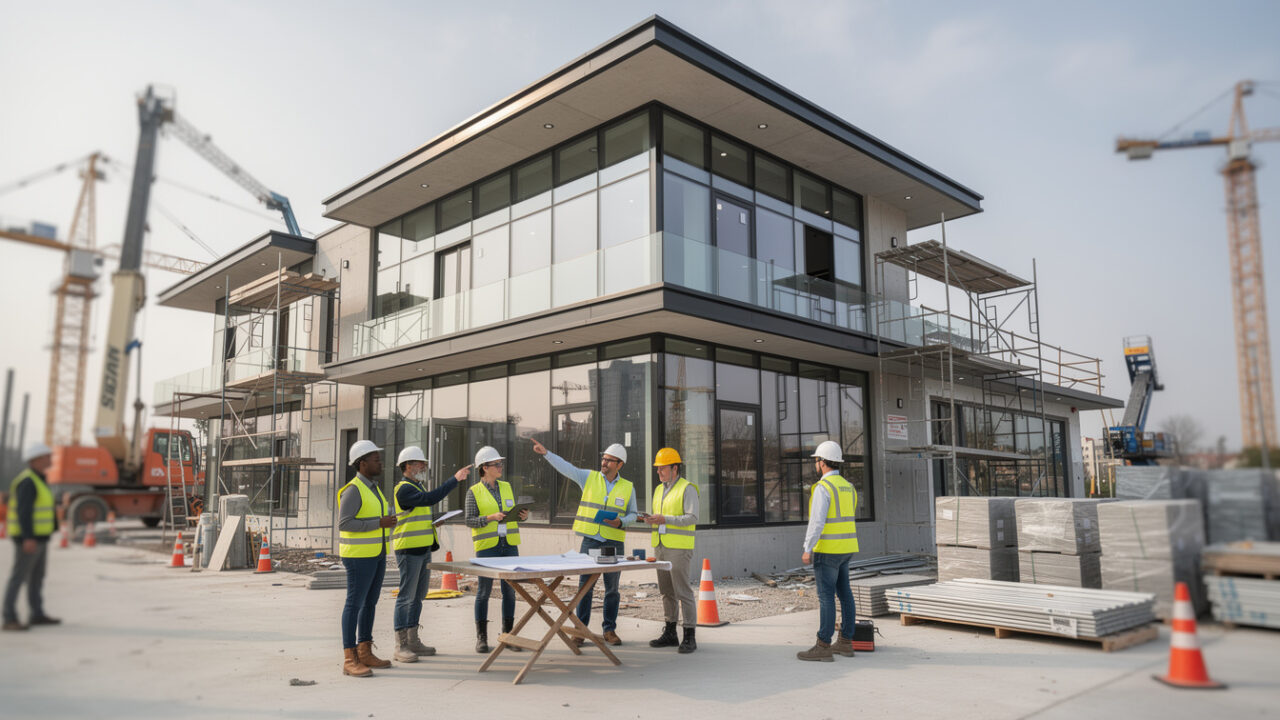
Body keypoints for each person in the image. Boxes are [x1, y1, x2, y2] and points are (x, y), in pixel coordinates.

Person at [531, 438, 636, 646]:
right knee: (584, 587)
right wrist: (546, 453)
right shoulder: (589, 477)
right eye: (603, 459)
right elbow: (567, 468)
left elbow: (634, 514)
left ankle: (609, 630)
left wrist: (621, 521)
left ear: (619, 464)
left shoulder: (628, 487)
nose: (604, 463)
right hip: (590, 541)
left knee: (612, 588)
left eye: (609, 460)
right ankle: (580, 630)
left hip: (612, 543)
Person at [391, 445, 468, 663]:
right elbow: (430, 499)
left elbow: (423, 509)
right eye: (419, 463)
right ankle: (401, 645)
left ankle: (413, 640)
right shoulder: (404, 489)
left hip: (423, 549)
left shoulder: (417, 487)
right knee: (406, 597)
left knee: (418, 596)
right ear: (407, 466)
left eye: (423, 463)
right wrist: (454, 479)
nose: (424, 466)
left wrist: (435, 521)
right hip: (408, 550)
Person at [338, 439, 397, 677]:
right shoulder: (353, 490)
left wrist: (390, 520)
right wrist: (378, 523)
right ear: (362, 464)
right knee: (354, 604)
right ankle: (349, 658)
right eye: (375, 460)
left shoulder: (374, 488)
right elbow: (345, 522)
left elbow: (378, 518)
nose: (380, 463)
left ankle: (365, 651)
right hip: (358, 557)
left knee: (370, 603)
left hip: (376, 554)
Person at [797, 440, 859, 662]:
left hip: (828, 550)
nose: (816, 464)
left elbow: (817, 522)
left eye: (816, 461)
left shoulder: (823, 488)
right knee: (845, 594)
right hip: (847, 549)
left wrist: (808, 548)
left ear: (822, 463)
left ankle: (823, 645)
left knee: (826, 597)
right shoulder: (848, 487)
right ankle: (845, 642)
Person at [465, 446, 529, 653]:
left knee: (509, 591)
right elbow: (469, 520)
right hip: (487, 548)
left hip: (509, 545)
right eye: (496, 464)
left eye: (500, 463)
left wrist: (522, 516)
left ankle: (508, 636)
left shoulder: (507, 487)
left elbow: (512, 511)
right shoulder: (473, 491)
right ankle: (481, 638)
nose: (500, 466)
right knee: (483, 591)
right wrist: (490, 518)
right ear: (484, 467)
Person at [640, 447, 699, 654]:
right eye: (657, 469)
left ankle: (690, 636)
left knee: (683, 591)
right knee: (666, 591)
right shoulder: (659, 489)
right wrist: (650, 519)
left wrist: (665, 519)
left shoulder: (687, 488)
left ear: (675, 468)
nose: (658, 472)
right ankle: (671, 632)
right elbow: (661, 516)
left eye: (662, 468)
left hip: (679, 548)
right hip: (661, 546)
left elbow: (692, 518)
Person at [4, 443, 60, 631]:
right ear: (36, 459)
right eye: (47, 456)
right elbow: (24, 512)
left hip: (40, 537)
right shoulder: (28, 481)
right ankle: (9, 617)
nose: (51, 459)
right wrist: (28, 538)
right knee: (18, 577)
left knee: (37, 577)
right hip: (29, 539)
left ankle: (37, 613)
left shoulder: (40, 479)